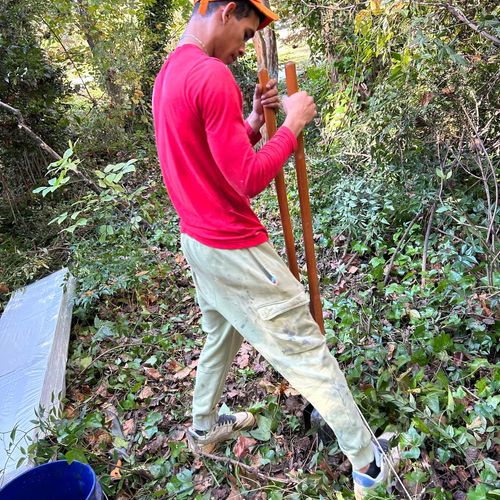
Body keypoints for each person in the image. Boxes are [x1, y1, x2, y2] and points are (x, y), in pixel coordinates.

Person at [152, 0, 399, 497]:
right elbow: (246, 178)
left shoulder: (170, 74)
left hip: (197, 240)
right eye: (245, 32)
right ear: (223, 11)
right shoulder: (211, 74)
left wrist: (254, 122)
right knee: (305, 347)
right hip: (232, 247)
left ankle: (203, 427)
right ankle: (369, 463)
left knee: (220, 333)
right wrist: (291, 124)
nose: (244, 48)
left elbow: (214, 158)